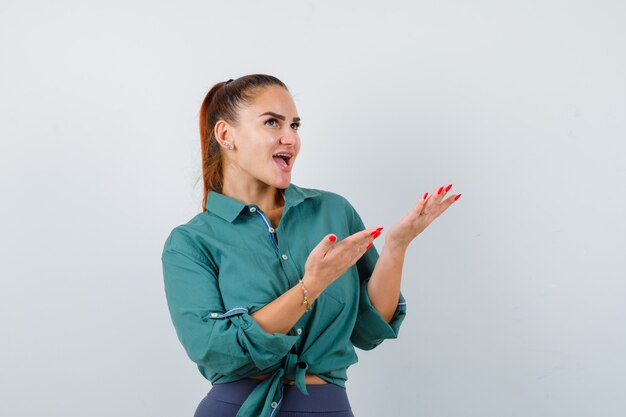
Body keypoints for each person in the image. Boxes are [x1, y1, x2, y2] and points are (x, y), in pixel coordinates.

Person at [161, 74, 461, 417]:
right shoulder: (190, 242)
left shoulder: (333, 212)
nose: (290, 138)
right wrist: (311, 286)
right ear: (226, 135)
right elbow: (215, 349)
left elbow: (369, 329)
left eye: (295, 125)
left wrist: (396, 247)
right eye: (273, 122)